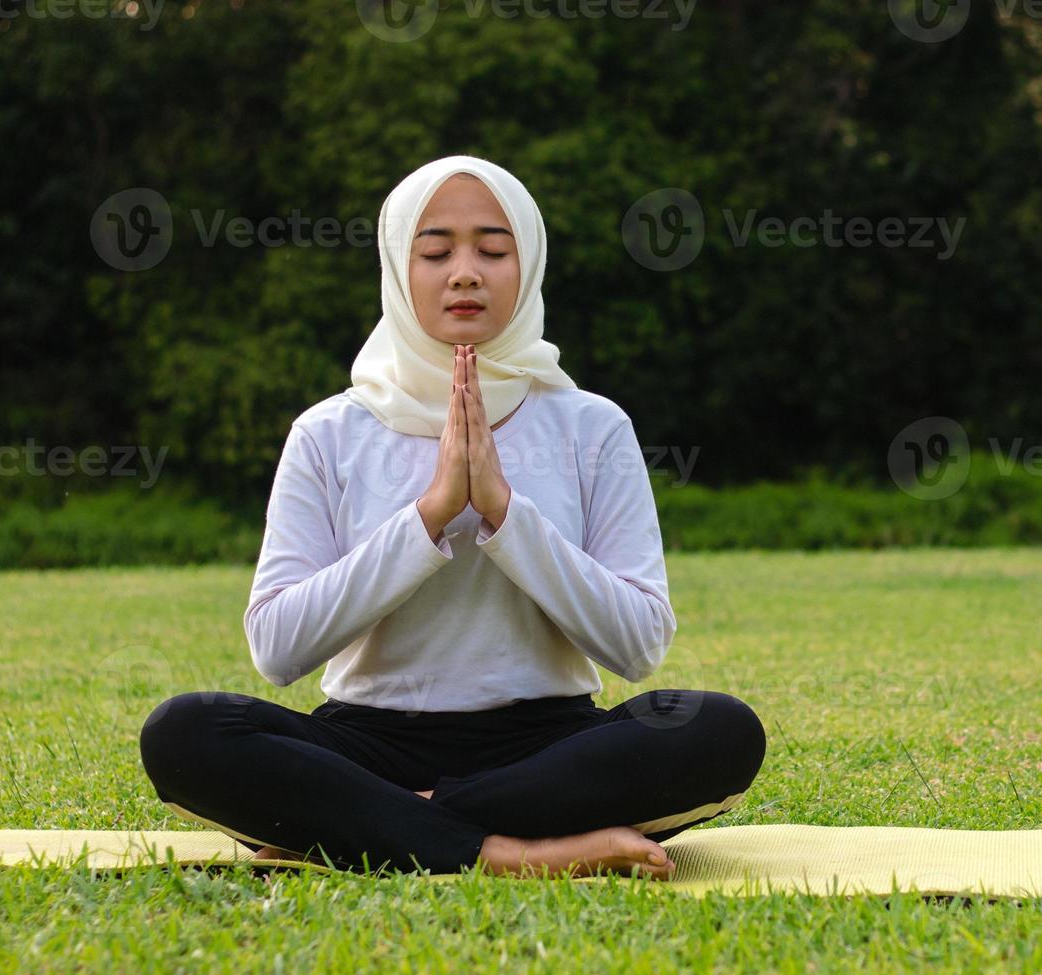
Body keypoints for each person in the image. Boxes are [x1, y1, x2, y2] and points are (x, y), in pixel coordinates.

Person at [139, 155, 767, 879]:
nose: (464, 272)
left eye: (492, 250)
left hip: (547, 745)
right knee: (187, 731)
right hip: (366, 741)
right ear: (397, 269)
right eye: (436, 251)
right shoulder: (330, 432)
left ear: (526, 264)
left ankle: (365, 825)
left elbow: (637, 645)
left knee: (716, 730)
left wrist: (505, 515)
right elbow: (279, 650)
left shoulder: (592, 426)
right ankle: (512, 853)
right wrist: (429, 517)